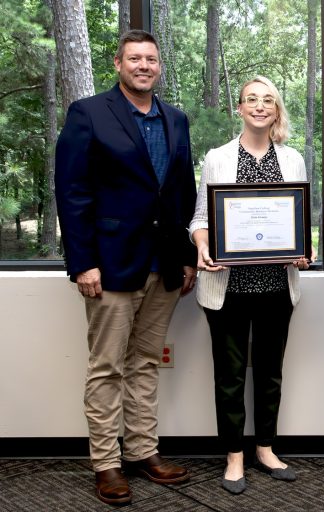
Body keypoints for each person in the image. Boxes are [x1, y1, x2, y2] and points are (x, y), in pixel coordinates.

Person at [55, 30, 195, 505]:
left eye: (151, 59)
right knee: (107, 367)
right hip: (110, 264)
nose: (143, 65)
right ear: (118, 63)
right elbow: (72, 194)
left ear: (159, 66)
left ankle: (142, 451)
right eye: (134, 58)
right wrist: (83, 263)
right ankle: (106, 464)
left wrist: (185, 257)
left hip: (163, 265)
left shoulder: (175, 119)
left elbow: (183, 196)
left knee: (145, 363)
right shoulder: (89, 114)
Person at [190, 76, 312, 494]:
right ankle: (234, 456)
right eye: (251, 100)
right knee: (229, 375)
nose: (259, 106)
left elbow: (298, 222)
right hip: (227, 286)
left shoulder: (293, 159)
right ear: (239, 108)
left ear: (276, 110)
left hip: (277, 286)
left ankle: (265, 448)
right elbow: (200, 219)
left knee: (270, 374)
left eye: (268, 101)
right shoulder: (217, 158)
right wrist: (203, 246)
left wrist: (301, 250)